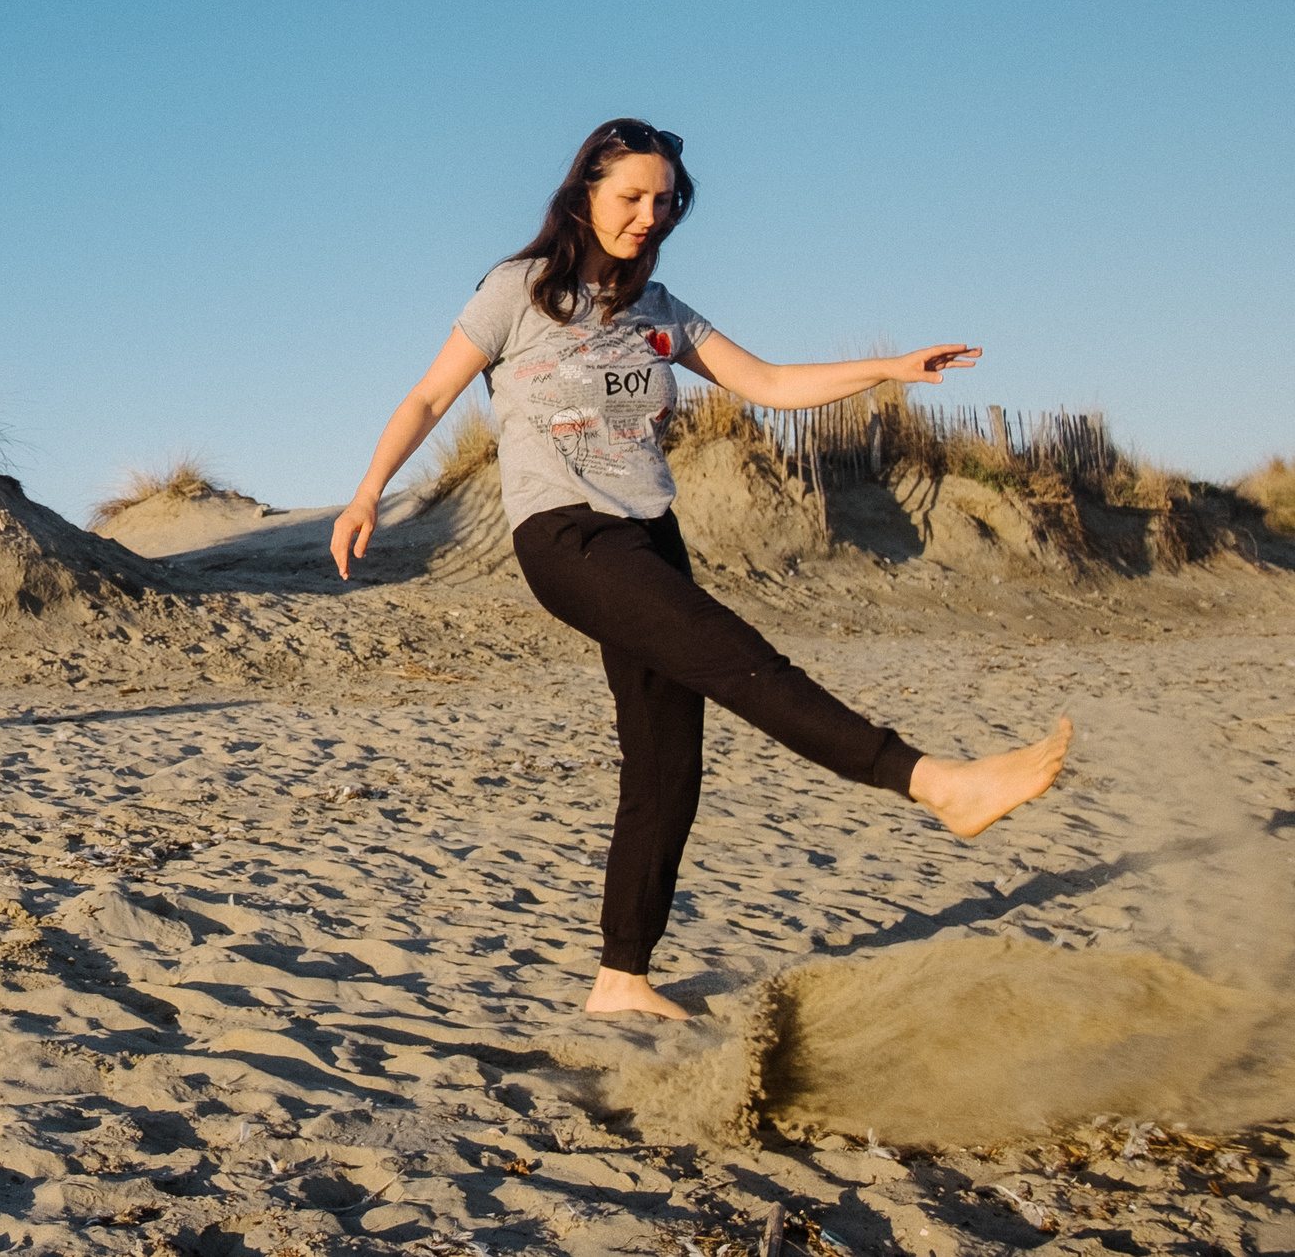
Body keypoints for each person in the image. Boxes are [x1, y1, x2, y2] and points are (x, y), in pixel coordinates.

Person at [329, 119, 1071, 1019]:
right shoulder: (520, 290)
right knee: (740, 658)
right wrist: (370, 490)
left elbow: (766, 381)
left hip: (647, 535)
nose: (648, 215)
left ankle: (621, 976)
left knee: (666, 757)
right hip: (566, 536)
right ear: (584, 194)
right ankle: (935, 782)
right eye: (630, 197)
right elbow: (430, 393)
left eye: (664, 201)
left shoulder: (663, 312)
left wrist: (889, 367)